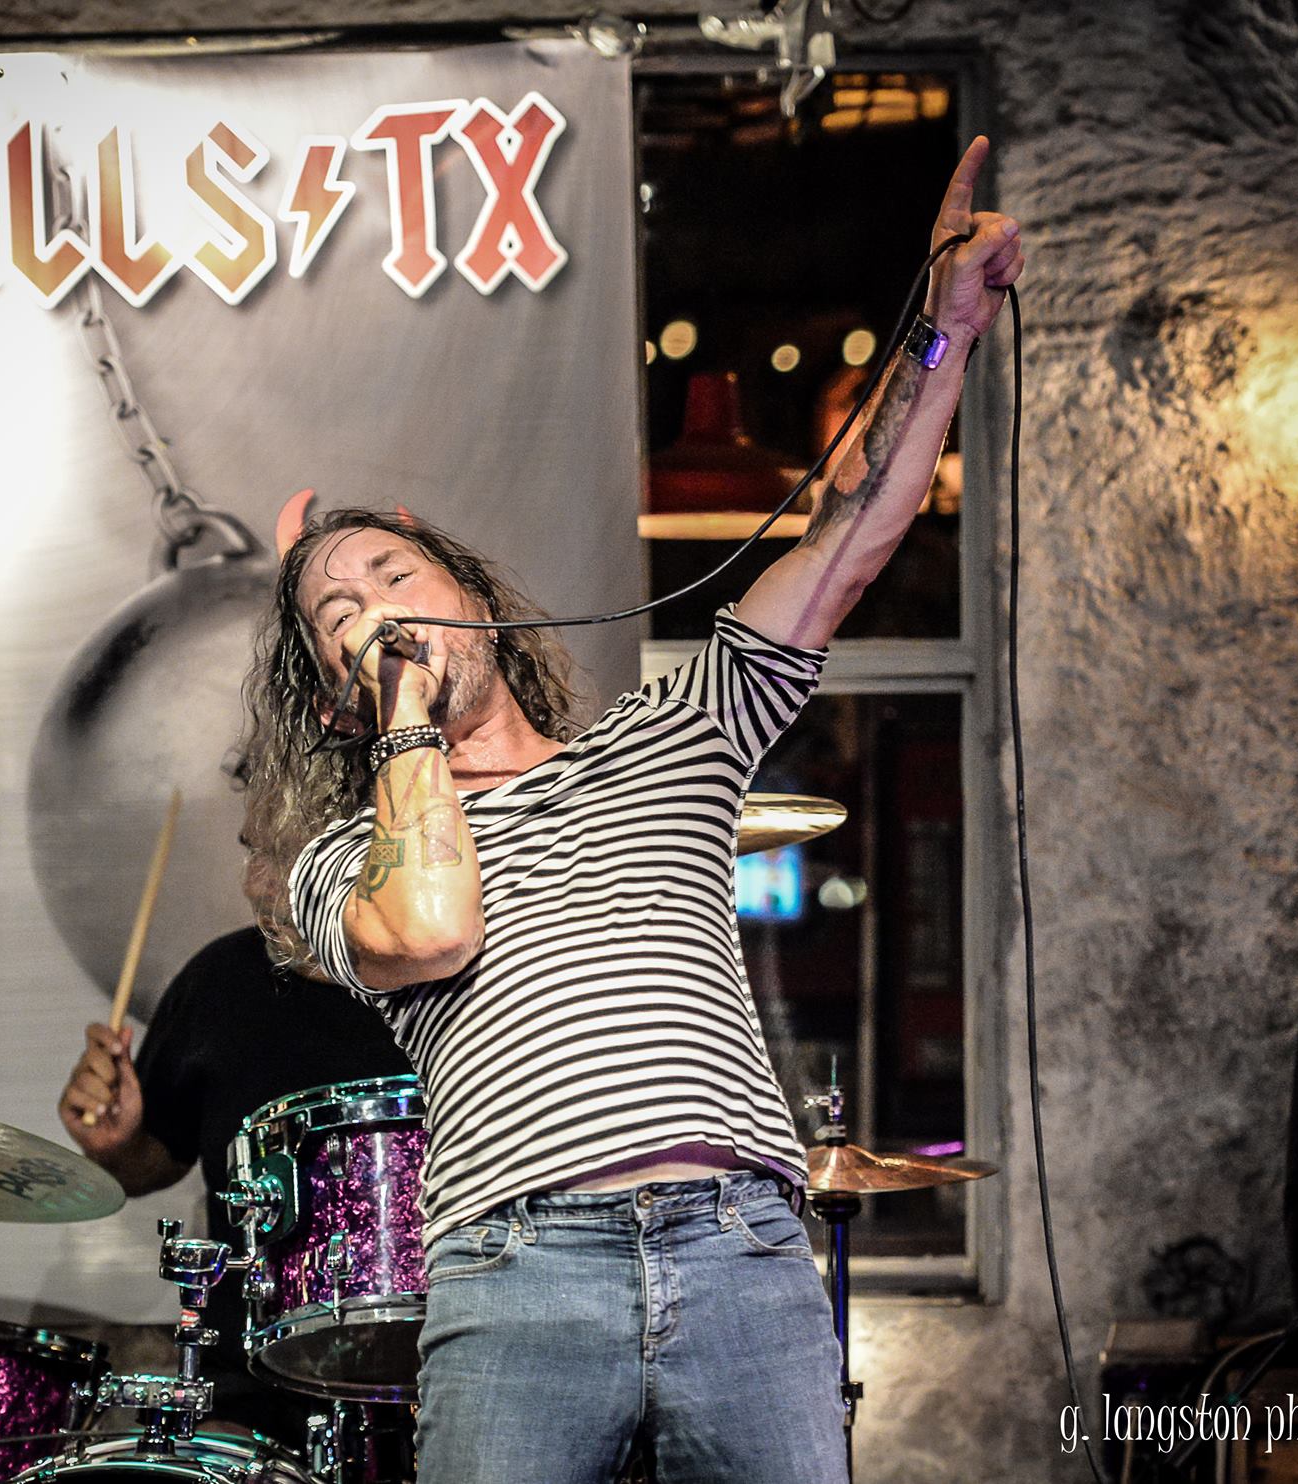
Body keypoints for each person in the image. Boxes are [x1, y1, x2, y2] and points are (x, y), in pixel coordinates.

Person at [237, 137, 1023, 1483]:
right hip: (515, 1269)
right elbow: (429, 930)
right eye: (339, 615)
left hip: (740, 1251)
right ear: (334, 704)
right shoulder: (346, 857)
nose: (376, 610)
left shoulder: (673, 734)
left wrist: (943, 330)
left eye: (395, 575)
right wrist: (406, 710)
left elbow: (848, 539)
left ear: (475, 598)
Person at [58, 921, 411, 1442]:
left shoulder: (458, 972)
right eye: (252, 865)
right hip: (254, 1379)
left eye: (275, 864)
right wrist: (116, 1145)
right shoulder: (223, 976)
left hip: (452, 1349)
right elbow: (147, 1166)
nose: (256, 882)